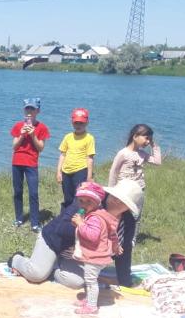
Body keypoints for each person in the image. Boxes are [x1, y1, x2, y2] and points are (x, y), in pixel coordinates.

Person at [8, 179, 143, 291]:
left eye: (122, 201)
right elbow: (61, 229)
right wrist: (85, 227)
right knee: (36, 275)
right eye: (115, 197)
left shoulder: (127, 222)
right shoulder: (90, 201)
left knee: (77, 283)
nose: (116, 202)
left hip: (75, 254)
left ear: (128, 207)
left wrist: (125, 282)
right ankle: (16, 259)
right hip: (54, 241)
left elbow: (123, 252)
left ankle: (52, 268)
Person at [107, 124, 161, 286]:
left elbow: (157, 162)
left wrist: (154, 146)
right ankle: (115, 240)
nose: (147, 141)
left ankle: (130, 241)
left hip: (138, 191)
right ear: (135, 135)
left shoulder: (143, 154)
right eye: (146, 137)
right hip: (123, 191)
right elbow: (113, 171)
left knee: (136, 217)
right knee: (120, 218)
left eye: (149, 139)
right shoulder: (123, 153)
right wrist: (111, 190)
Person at [70, 182, 120, 315]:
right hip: (97, 255)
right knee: (90, 280)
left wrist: (80, 224)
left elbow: (92, 236)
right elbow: (111, 232)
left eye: (88, 202)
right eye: (81, 201)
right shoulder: (97, 214)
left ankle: (92, 306)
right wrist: (79, 222)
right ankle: (89, 300)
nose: (84, 205)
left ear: (97, 202)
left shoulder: (95, 218)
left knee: (91, 282)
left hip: (95, 257)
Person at [10, 97, 50, 232]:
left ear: (37, 111)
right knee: (18, 191)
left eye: (32, 109)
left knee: (33, 193)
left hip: (31, 163)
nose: (29, 111)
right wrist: (21, 135)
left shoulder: (42, 127)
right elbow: (14, 146)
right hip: (17, 162)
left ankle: (34, 222)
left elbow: (40, 148)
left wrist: (33, 135)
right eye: (27, 108)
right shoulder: (17, 126)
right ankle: (19, 218)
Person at [56, 108, 95, 210]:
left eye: (81, 123)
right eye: (76, 123)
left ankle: (79, 219)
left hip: (80, 170)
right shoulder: (68, 137)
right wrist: (59, 172)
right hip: (66, 171)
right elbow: (62, 155)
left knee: (79, 197)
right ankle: (65, 219)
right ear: (72, 123)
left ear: (86, 123)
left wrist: (89, 177)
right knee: (67, 197)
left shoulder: (89, 138)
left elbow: (90, 158)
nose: (78, 126)